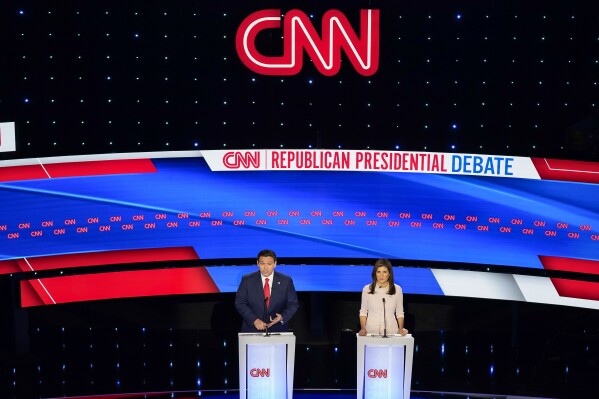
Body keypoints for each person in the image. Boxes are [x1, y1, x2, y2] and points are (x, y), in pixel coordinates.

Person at [235, 249, 299, 332]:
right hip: (252, 329)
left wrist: (282, 317)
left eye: (269, 264)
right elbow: (240, 303)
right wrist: (254, 320)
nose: (265, 267)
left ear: (275, 264)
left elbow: (293, 304)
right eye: (262, 263)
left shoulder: (286, 280)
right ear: (257, 263)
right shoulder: (247, 280)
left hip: (277, 329)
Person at [358, 259, 408, 336]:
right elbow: (363, 312)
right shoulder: (367, 289)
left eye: (384, 272)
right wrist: (363, 328)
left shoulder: (397, 289)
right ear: (375, 273)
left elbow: (399, 312)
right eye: (378, 272)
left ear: (389, 274)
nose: (381, 275)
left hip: (391, 331)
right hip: (371, 332)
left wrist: (401, 329)